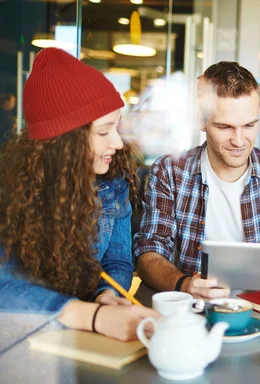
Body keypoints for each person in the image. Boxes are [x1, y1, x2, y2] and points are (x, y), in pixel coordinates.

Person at [133, 61, 260, 306]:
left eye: (249, 125)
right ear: (202, 122)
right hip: (193, 310)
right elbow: (148, 253)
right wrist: (185, 284)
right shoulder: (169, 172)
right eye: (224, 126)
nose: (239, 140)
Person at [0, 48, 159, 341]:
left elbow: (117, 263)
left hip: (79, 339)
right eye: (103, 132)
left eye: (117, 127)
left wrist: (106, 296)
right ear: (63, 143)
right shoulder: (10, 191)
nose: (119, 143)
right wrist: (92, 316)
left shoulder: (114, 182)